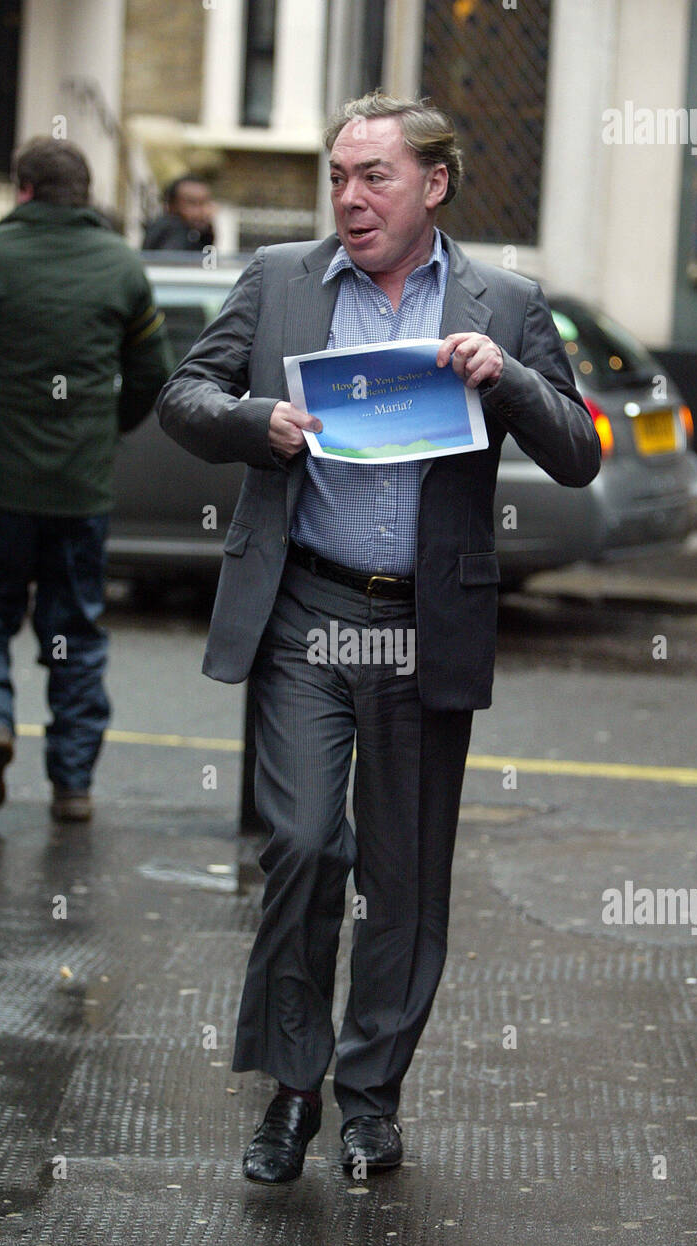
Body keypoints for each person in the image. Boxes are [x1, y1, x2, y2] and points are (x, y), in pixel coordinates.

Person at [157, 93, 601, 1183]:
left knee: (402, 879)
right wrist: (245, 423)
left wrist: (512, 379)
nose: (350, 199)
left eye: (375, 177)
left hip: (421, 621)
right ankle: (291, 1089)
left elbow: (580, 452)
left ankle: (370, 1096)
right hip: (305, 609)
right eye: (338, 178)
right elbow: (181, 393)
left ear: (432, 185)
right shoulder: (278, 280)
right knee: (306, 842)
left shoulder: (503, 302)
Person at [0, 136, 172, 822]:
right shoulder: (121, 266)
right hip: (78, 487)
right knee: (74, 629)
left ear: (23, 189)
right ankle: (72, 785)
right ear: (82, 192)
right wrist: (106, 429)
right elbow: (151, 374)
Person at [142, 175, 217, 253]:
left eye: (205, 202)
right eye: (193, 203)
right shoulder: (172, 231)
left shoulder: (197, 233)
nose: (203, 210)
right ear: (171, 206)